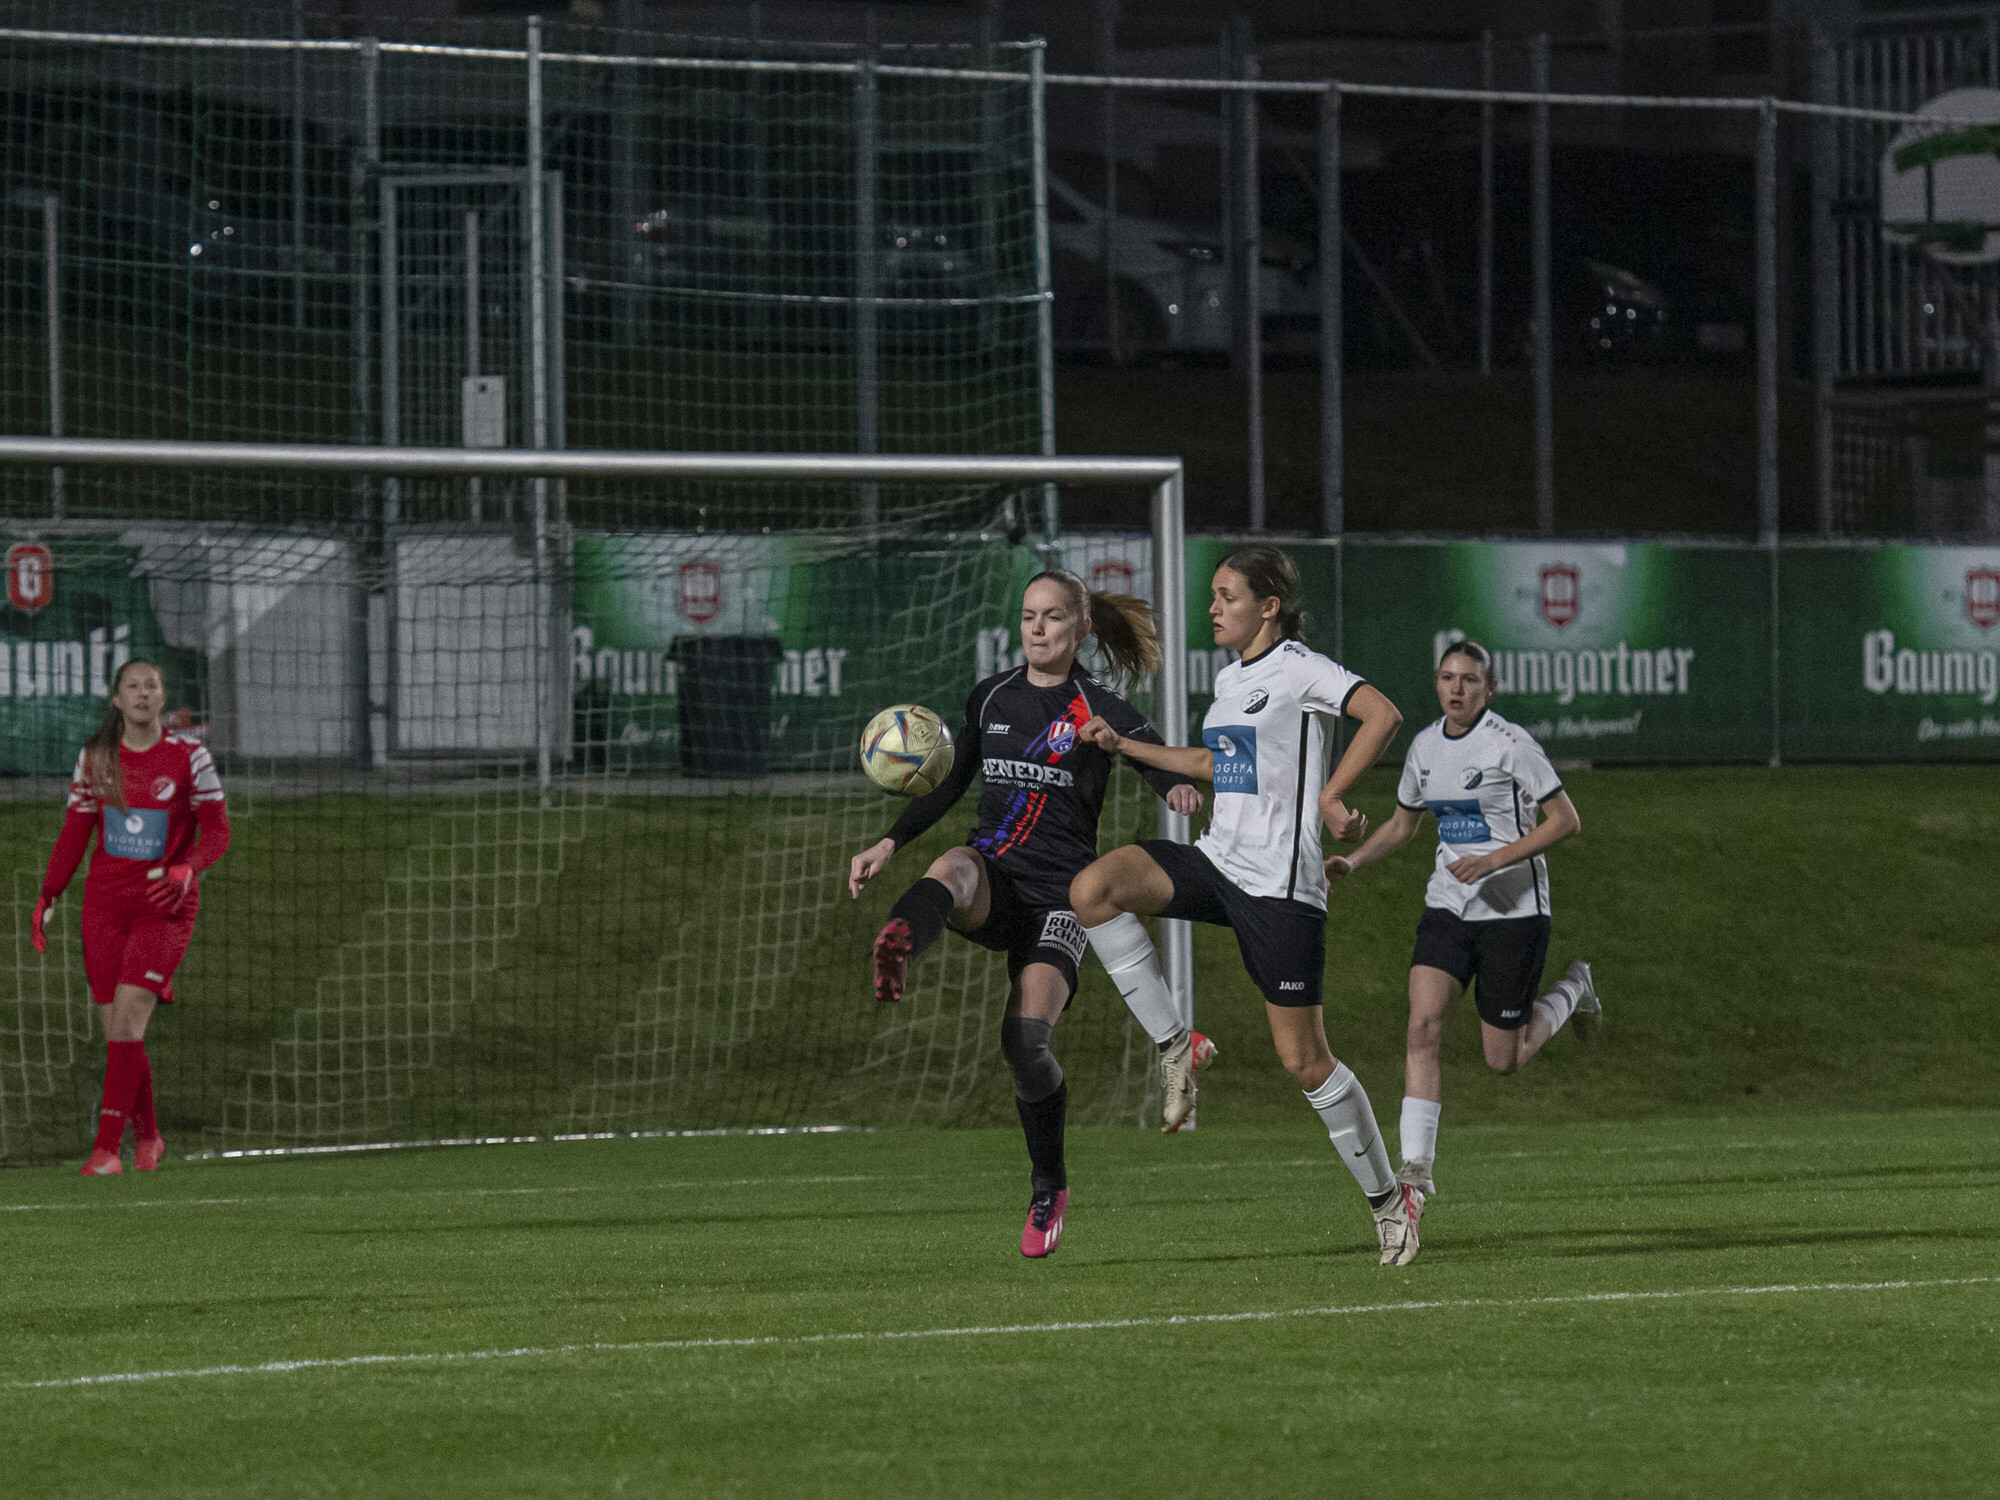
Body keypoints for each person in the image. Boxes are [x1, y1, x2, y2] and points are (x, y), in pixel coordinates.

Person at [1067, 545, 1427, 1267]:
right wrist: (1125, 744)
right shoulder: (1231, 681)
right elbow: (1214, 764)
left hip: (1280, 889)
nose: (1213, 608)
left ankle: (1391, 1201)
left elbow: (1382, 714)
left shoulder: (1299, 667)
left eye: (1226, 596)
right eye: (1213, 595)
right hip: (1216, 861)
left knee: (1305, 1061)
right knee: (1092, 890)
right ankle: (1178, 1045)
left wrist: (1331, 795)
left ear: (1269, 606)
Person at [848, 571, 1203, 1259]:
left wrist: (1175, 789)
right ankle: (899, 943)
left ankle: (1049, 1188)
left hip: (1060, 902)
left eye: (1052, 617)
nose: (1037, 628)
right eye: (1028, 616)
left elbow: (1154, 757)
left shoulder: (1099, 707)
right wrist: (889, 842)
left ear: (1081, 628)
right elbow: (948, 781)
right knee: (954, 863)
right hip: (996, 877)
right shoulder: (992, 697)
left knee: (1024, 1044)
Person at [1326, 639, 1601, 1202]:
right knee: (1421, 1026)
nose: (1456, 688)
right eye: (1447, 677)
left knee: (1504, 1058)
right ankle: (1416, 1169)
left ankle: (1575, 988)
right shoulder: (1425, 747)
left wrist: (1495, 860)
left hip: (1514, 913)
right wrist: (1353, 861)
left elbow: (1565, 820)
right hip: (1448, 907)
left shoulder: (1511, 745)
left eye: (1470, 679)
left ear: (1489, 688)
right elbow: (1404, 825)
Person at [32, 660, 231, 1176]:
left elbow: (218, 833)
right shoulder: (96, 758)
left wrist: (188, 867)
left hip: (164, 906)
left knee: (126, 1021)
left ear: (163, 697)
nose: (143, 694)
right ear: (117, 699)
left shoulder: (190, 757)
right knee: (120, 1032)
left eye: (152, 686)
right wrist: (49, 893)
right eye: (132, 686)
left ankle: (105, 1151)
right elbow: (75, 830)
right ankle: (149, 1138)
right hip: (103, 907)